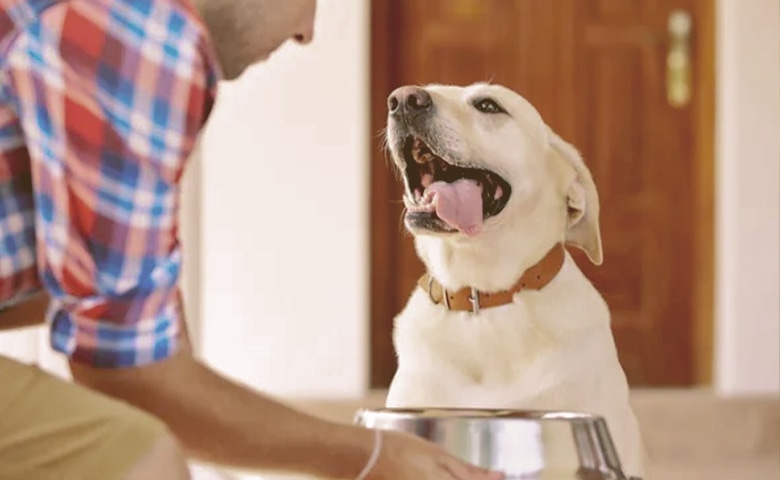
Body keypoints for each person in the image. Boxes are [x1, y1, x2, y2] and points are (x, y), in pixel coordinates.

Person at [0, 0, 506, 479]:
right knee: (135, 456)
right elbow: (124, 374)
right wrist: (368, 456)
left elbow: (116, 312)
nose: (307, 32)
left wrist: (175, 379)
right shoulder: (145, 35)